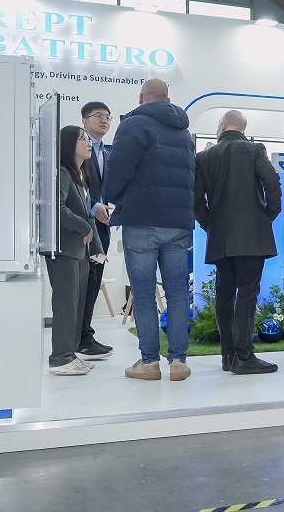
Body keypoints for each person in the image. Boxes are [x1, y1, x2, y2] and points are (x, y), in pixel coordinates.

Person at [102, 79, 195, 382]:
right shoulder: (183, 131)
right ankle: (178, 362)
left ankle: (149, 363)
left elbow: (118, 168)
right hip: (178, 221)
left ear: (141, 97)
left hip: (141, 218)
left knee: (143, 294)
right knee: (177, 292)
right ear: (168, 99)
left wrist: (110, 197)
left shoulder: (133, 124)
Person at [194, 110, 282, 375]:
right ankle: (244, 356)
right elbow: (272, 182)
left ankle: (228, 355)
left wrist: (209, 224)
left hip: (220, 235)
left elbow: (195, 199)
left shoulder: (203, 157)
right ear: (242, 130)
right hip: (251, 234)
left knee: (224, 292)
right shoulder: (255, 150)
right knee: (247, 291)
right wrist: (268, 215)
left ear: (222, 127)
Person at [46, 125, 104, 375]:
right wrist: (83, 227)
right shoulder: (62, 173)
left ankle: (69, 355)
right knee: (65, 305)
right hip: (64, 251)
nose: (89, 143)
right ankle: (60, 358)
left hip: (79, 252)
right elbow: (56, 209)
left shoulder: (80, 178)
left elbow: (88, 216)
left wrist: (97, 248)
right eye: (83, 139)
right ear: (69, 145)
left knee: (76, 305)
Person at [75, 101, 114, 361]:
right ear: (84, 121)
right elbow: (75, 187)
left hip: (103, 227)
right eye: (98, 115)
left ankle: (85, 335)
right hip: (83, 226)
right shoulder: (77, 148)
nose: (104, 120)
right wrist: (95, 207)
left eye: (107, 116)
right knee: (83, 282)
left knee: (94, 280)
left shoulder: (107, 153)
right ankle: (80, 337)